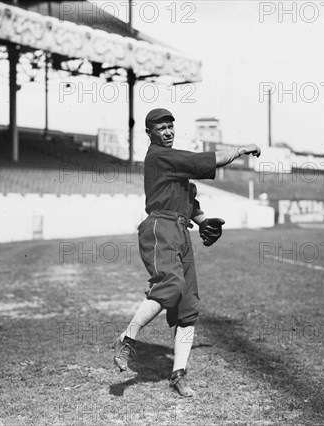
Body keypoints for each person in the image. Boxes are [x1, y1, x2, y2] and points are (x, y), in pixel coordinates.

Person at [112, 108, 260, 397]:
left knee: (188, 307)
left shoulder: (175, 170)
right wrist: (241, 149)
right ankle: (127, 338)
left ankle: (178, 375)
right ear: (149, 134)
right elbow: (203, 161)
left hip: (180, 232)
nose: (167, 132)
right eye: (161, 128)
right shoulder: (158, 156)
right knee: (172, 284)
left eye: (170, 126)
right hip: (160, 227)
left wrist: (204, 222)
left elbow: (190, 202)